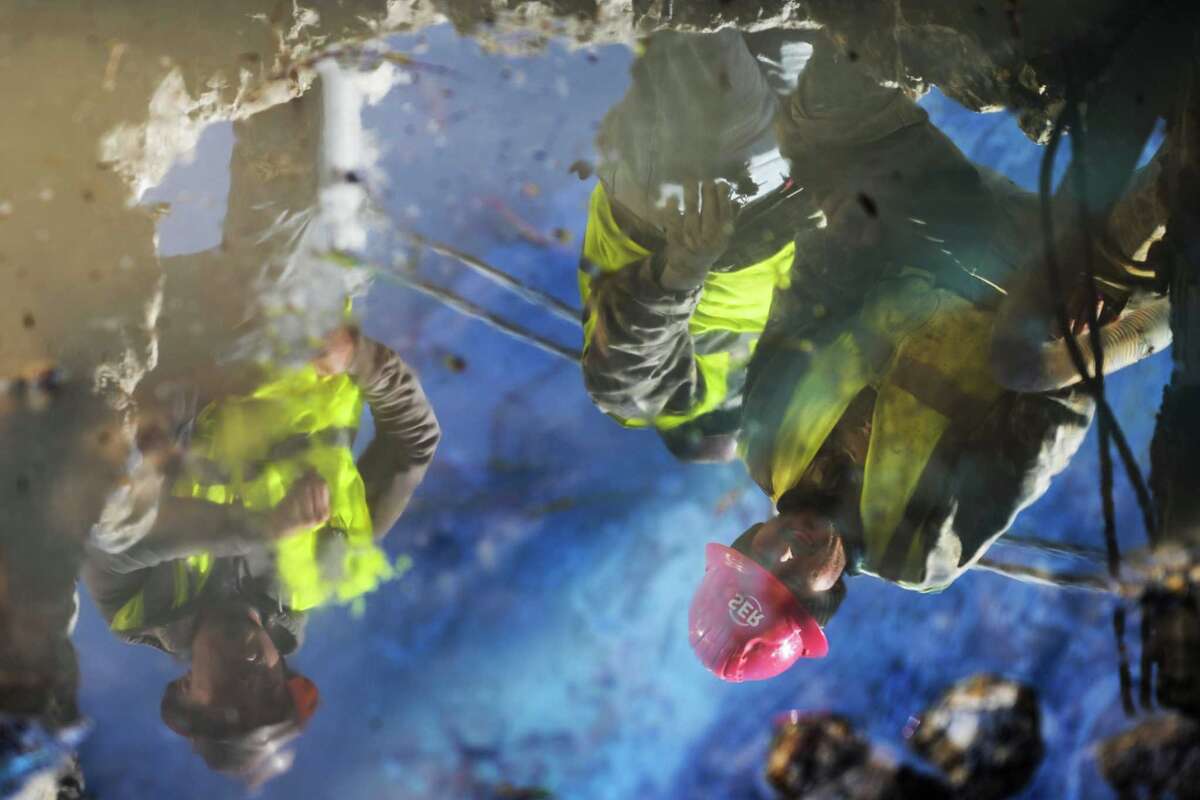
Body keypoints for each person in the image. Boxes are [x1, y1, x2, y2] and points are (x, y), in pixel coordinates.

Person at [583, 33, 1168, 682]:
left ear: (748, 540)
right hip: (1052, 307)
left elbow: (816, 295)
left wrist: (847, 219)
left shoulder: (766, 444)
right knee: (1059, 332)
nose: (785, 550)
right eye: (791, 581)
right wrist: (1077, 333)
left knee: (828, 99)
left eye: (760, 555)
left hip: (952, 232)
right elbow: (1045, 431)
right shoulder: (922, 552)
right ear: (821, 601)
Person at [83, 325, 440, 783]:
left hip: (178, 322)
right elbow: (414, 446)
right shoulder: (329, 566)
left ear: (186, 690)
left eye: (232, 702)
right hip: (306, 310)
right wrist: (358, 358)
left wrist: (258, 529)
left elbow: (112, 537)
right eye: (270, 692)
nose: (252, 680)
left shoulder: (132, 610)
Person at [579, 28, 819, 462]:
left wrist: (683, 271)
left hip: (710, 193)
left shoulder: (680, 401)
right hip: (788, 171)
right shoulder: (759, 356)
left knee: (704, 23)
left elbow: (626, 385)